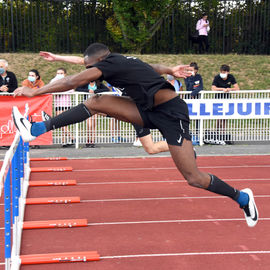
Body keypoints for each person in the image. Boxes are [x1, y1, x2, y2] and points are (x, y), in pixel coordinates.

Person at [13, 43, 258, 227]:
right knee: (96, 101)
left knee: (194, 178)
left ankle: (242, 197)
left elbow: (72, 80)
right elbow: (152, 67)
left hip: (171, 114)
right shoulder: (120, 60)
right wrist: (170, 69)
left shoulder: (108, 64)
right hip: (145, 109)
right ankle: (35, 130)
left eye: (91, 67)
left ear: (99, 60)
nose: (91, 71)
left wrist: (34, 92)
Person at [210, 64, 240, 144]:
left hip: (227, 99)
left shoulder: (231, 77)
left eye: (224, 72)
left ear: (227, 72)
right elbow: (213, 88)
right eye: (221, 72)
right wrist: (222, 89)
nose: (222, 73)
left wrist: (229, 89)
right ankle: (216, 133)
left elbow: (237, 88)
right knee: (218, 117)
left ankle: (223, 134)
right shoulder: (217, 77)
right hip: (218, 99)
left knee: (225, 117)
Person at [76, 81, 110, 147]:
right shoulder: (85, 83)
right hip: (87, 105)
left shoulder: (98, 84)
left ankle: (92, 141)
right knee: (89, 125)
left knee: (94, 124)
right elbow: (77, 89)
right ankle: (88, 140)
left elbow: (107, 89)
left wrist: (96, 91)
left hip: (96, 105)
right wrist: (88, 90)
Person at [51, 68, 74, 147]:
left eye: (61, 73)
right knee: (60, 122)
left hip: (66, 104)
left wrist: (61, 90)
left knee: (65, 123)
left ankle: (65, 141)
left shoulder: (69, 81)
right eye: (58, 73)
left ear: (65, 74)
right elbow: (50, 88)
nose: (59, 75)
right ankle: (71, 137)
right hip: (58, 105)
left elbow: (71, 90)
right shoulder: (54, 81)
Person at [184, 62, 203, 145]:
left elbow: (200, 87)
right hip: (188, 99)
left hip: (196, 98)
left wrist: (194, 93)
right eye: (188, 70)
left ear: (196, 70)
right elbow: (189, 86)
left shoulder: (199, 77)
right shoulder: (187, 77)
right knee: (187, 116)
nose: (189, 71)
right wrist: (191, 77)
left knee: (198, 117)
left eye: (191, 70)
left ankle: (198, 134)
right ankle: (187, 134)